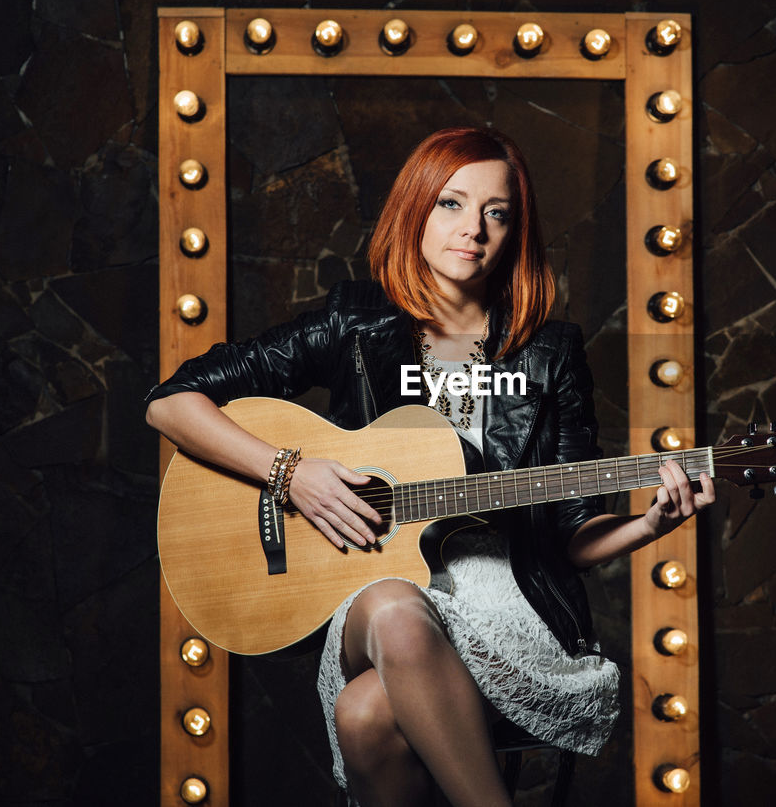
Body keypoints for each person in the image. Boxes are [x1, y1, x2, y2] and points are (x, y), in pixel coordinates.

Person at [145, 126, 715, 807]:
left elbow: (569, 536)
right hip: (374, 596)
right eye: (451, 203)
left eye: (496, 212)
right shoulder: (356, 323)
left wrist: (649, 523)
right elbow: (170, 404)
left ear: (515, 229)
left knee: (364, 713)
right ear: (415, 207)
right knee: (390, 603)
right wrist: (290, 472)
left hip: (507, 606)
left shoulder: (551, 351)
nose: (472, 228)